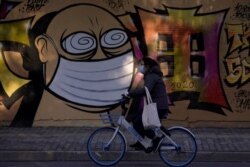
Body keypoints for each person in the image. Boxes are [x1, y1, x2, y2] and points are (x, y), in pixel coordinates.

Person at [123, 56, 169, 152]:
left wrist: (129, 94)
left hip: (158, 106)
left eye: (143, 65)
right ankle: (141, 143)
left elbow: (145, 90)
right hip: (159, 105)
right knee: (136, 121)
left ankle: (156, 139)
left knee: (139, 122)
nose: (141, 67)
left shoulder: (151, 76)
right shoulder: (152, 75)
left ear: (147, 67)